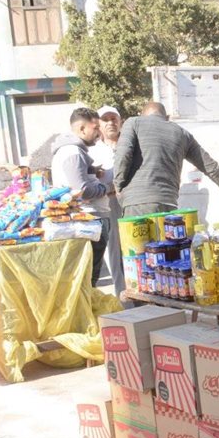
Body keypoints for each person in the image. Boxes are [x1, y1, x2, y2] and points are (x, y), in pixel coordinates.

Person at [114, 101, 219, 217]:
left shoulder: (133, 123)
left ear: (142, 115)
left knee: (139, 238)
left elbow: (123, 155)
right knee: (166, 237)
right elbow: (211, 167)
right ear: (167, 117)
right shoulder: (183, 134)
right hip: (168, 203)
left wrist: (118, 185)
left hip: (136, 204)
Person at [50, 107, 109, 287]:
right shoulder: (73, 153)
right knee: (88, 279)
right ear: (82, 129)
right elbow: (81, 190)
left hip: (87, 219)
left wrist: (92, 172)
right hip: (88, 220)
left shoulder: (73, 152)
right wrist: (107, 188)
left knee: (85, 278)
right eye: (95, 128)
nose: (99, 133)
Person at [90, 105, 126, 299]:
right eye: (106, 119)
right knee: (114, 253)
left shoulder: (130, 144)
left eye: (114, 118)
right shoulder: (93, 151)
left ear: (120, 122)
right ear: (99, 124)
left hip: (131, 203)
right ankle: (124, 299)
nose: (111, 123)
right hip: (108, 204)